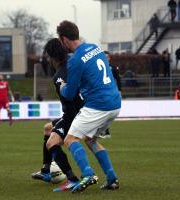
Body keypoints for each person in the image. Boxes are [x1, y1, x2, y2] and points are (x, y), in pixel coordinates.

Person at [57, 20, 121, 193]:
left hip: (98, 105)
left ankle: (88, 173)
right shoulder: (96, 47)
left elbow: (69, 94)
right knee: (90, 139)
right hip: (115, 103)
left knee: (70, 140)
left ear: (63, 39)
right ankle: (112, 178)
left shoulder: (75, 60)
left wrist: (62, 86)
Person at [31, 38, 83, 192]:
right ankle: (46, 170)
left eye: (48, 56)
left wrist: (69, 127)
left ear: (52, 57)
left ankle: (73, 179)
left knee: (51, 143)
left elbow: (69, 105)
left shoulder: (59, 75)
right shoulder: (74, 61)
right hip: (85, 110)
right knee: (48, 128)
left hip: (75, 115)